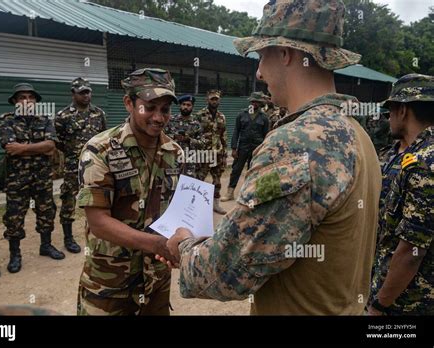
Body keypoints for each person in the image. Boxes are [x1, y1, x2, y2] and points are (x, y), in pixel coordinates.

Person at [159, 0, 382, 315]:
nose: (260, 72)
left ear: (285, 53)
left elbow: (226, 273)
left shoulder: (297, 142)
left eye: (262, 56)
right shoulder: (357, 134)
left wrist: (183, 246)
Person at [76, 68, 183, 316]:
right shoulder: (100, 150)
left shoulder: (175, 153)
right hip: (109, 284)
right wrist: (156, 244)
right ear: (129, 103)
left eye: (165, 110)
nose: (158, 117)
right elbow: (98, 222)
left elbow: (179, 210)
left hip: (156, 280)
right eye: (149, 107)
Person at [368, 74, 434, 315]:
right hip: (387, 284)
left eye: (391, 110)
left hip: (408, 301)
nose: (389, 118)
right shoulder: (395, 154)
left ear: (403, 110)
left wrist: (379, 305)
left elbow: (412, 252)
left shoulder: (425, 163)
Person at [0, 83, 64, 274]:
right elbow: (9, 147)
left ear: (35, 101)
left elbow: (51, 146)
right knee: (14, 217)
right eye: (21, 97)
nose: (27, 100)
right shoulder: (6, 120)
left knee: (46, 212)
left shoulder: (45, 119)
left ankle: (46, 246)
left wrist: (22, 148)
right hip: (16, 179)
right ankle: (15, 255)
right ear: (15, 101)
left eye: (30, 97)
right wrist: (38, 147)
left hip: (42, 177)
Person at [55, 77, 107, 254]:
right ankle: (68, 238)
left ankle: (100, 232)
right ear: (73, 93)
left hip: (95, 166)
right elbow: (59, 142)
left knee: (97, 198)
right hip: (73, 166)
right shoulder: (63, 116)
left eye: (88, 92)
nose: (86, 95)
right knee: (68, 199)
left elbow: (103, 138)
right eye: (82, 92)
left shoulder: (99, 114)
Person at [221, 92, 269, 202]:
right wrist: (234, 148)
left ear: (260, 103)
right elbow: (236, 132)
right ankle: (230, 192)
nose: (253, 103)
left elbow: (266, 135)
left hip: (256, 148)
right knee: (236, 169)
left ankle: (249, 194)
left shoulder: (264, 118)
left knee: (253, 171)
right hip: (243, 147)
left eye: (256, 102)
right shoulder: (242, 114)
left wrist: (263, 150)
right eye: (252, 101)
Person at [195, 90, 228, 214]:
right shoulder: (199, 115)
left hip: (217, 154)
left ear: (219, 100)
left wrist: (225, 153)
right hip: (203, 154)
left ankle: (216, 205)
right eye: (212, 99)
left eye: (216, 99)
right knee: (199, 179)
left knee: (217, 180)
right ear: (207, 100)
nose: (214, 101)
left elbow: (223, 135)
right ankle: (196, 205)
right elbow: (195, 133)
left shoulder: (222, 116)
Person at [164, 94, 203, 178]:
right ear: (180, 106)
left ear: (192, 107)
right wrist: (174, 137)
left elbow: (202, 143)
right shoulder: (171, 120)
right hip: (172, 159)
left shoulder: (196, 124)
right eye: (183, 104)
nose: (186, 107)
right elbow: (162, 137)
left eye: (188, 105)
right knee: (171, 185)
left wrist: (189, 140)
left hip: (190, 162)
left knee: (187, 187)